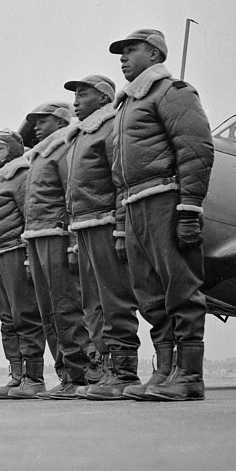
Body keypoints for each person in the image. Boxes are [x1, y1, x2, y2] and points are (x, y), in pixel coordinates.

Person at [108, 28, 215, 401]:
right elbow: (119, 176)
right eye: (120, 52)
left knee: (180, 287)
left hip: (165, 200)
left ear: (154, 55)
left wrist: (188, 210)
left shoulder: (173, 92)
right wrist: (122, 226)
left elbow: (196, 149)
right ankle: (166, 371)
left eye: (130, 50)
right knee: (150, 295)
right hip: (135, 206)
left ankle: (189, 376)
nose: (122, 57)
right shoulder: (126, 107)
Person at [63, 73, 143, 399]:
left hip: (104, 223)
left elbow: (121, 182)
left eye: (82, 94)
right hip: (83, 227)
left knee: (114, 300)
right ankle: (107, 369)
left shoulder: (110, 129)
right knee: (92, 304)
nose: (75, 100)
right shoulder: (80, 136)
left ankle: (125, 372)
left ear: (102, 97)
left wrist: (122, 227)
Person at [19, 101, 95, 399]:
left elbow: (70, 194)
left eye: (43, 120)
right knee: (48, 310)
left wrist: (74, 243)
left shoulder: (64, 149)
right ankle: (65, 374)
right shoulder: (39, 156)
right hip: (37, 236)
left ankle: (80, 373)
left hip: (57, 235)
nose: (36, 126)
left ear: (61, 121)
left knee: (66, 306)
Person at [0, 129, 47, 399]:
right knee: (8, 320)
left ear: (14, 149)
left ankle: (34, 377)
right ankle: (17, 374)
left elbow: (29, 215)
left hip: (15, 250)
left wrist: (29, 257)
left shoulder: (21, 176)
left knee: (25, 315)